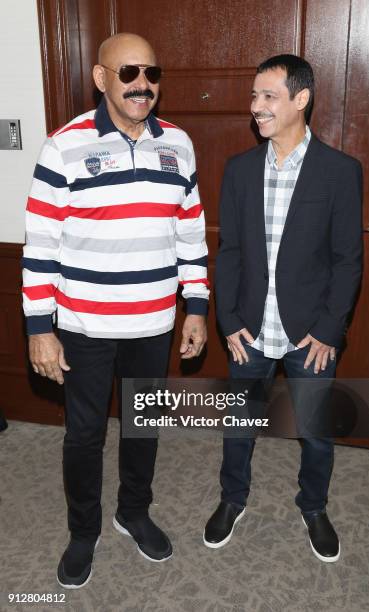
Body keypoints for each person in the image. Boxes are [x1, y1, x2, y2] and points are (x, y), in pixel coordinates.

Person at [22, 32, 209, 588]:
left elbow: (190, 232)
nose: (142, 85)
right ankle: (84, 532)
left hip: (154, 321)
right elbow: (41, 245)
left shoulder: (179, 143)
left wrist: (195, 307)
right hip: (84, 325)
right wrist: (39, 330)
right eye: (128, 73)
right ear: (102, 79)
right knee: (84, 436)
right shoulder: (63, 146)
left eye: (151, 73)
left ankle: (134, 512)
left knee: (144, 426)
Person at [204, 54, 362, 562]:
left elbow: (347, 261)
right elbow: (228, 252)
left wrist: (330, 330)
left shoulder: (340, 172)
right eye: (254, 96)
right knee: (238, 426)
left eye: (268, 96)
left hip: (309, 335)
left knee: (315, 431)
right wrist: (228, 320)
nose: (256, 108)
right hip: (249, 329)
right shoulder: (240, 169)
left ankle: (313, 506)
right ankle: (233, 499)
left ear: (301, 99)